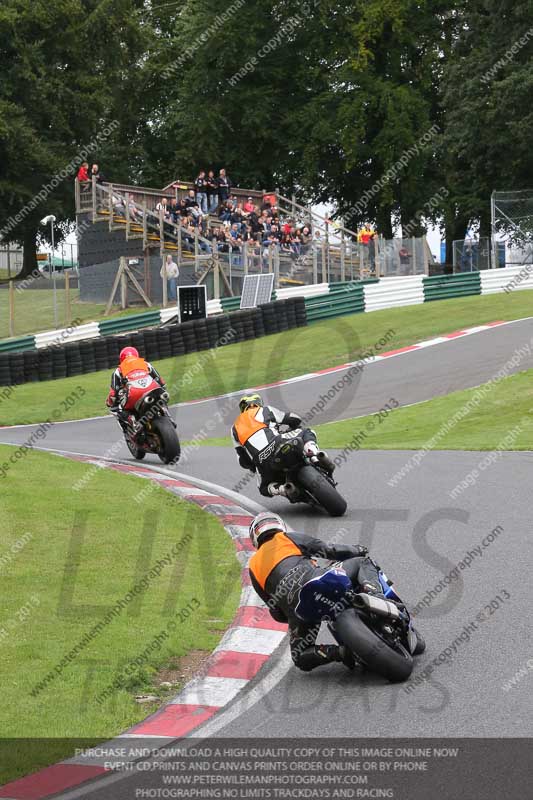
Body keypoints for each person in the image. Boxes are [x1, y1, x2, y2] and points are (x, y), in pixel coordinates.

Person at [248, 512, 388, 671]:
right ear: (278, 525)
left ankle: (338, 652)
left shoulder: (253, 566)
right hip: (319, 581)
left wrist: (294, 616)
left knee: (300, 656)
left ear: (255, 537)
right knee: (362, 562)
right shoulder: (286, 538)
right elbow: (330, 550)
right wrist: (357, 549)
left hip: (299, 609)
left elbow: (275, 611)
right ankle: (376, 595)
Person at [231, 394, 334, 498]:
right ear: (259, 403)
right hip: (278, 443)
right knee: (306, 431)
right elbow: (292, 418)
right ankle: (316, 456)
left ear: (243, 408)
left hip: (261, 461)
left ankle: (283, 489)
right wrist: (294, 425)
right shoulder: (266, 410)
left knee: (263, 488)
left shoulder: (234, 428)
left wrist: (254, 467)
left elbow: (243, 460)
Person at [106, 347, 166, 432]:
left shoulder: (118, 370)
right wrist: (162, 388)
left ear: (121, 359)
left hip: (134, 394)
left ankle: (132, 420)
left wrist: (109, 403)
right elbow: (160, 381)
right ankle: (167, 415)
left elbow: (113, 394)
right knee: (161, 398)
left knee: (118, 409)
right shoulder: (146, 364)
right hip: (153, 389)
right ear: (136, 355)